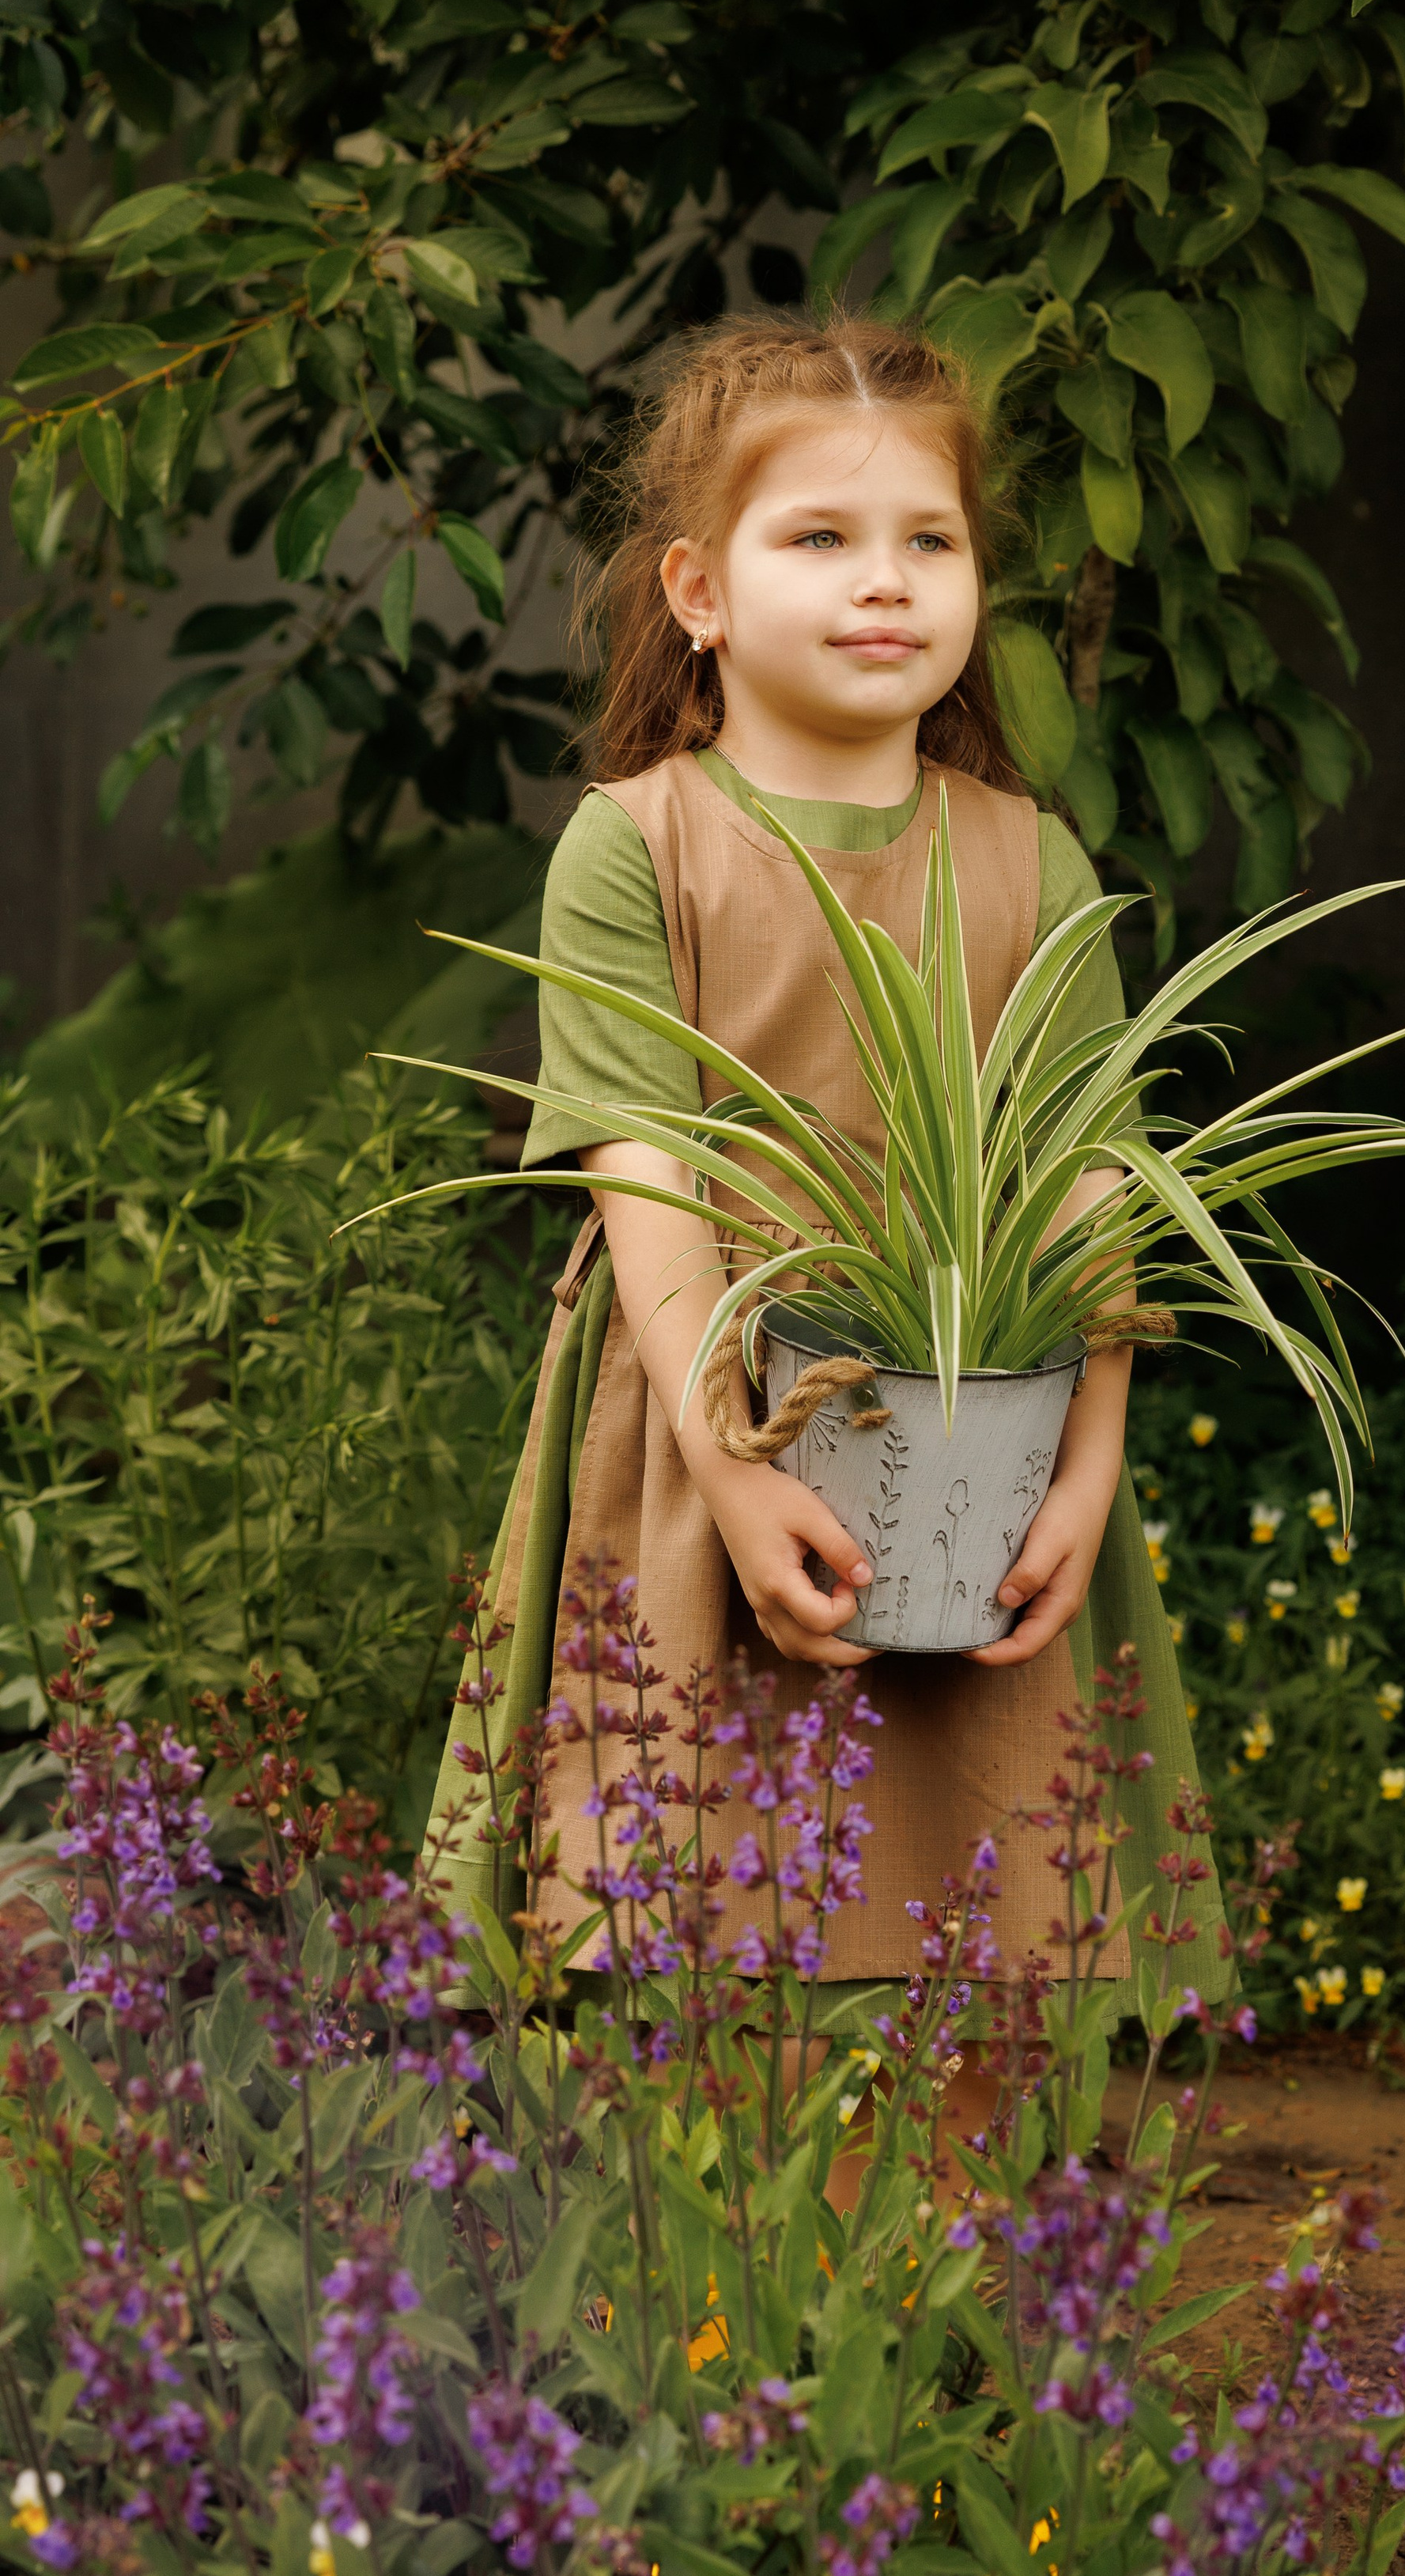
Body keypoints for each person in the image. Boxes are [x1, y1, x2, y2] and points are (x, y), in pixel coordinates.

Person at [429, 308, 1229, 2089]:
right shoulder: (637, 848)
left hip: (985, 1438)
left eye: (927, 541)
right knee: (684, 1900)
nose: (887, 585)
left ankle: (959, 2308)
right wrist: (724, 1461)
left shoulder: (1027, 859)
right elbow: (643, 1167)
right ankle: (706, 2310)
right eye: (823, 539)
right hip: (706, 1421)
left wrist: (1088, 1461)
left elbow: (1090, 1181)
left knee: (985, 1913)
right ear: (699, 590)